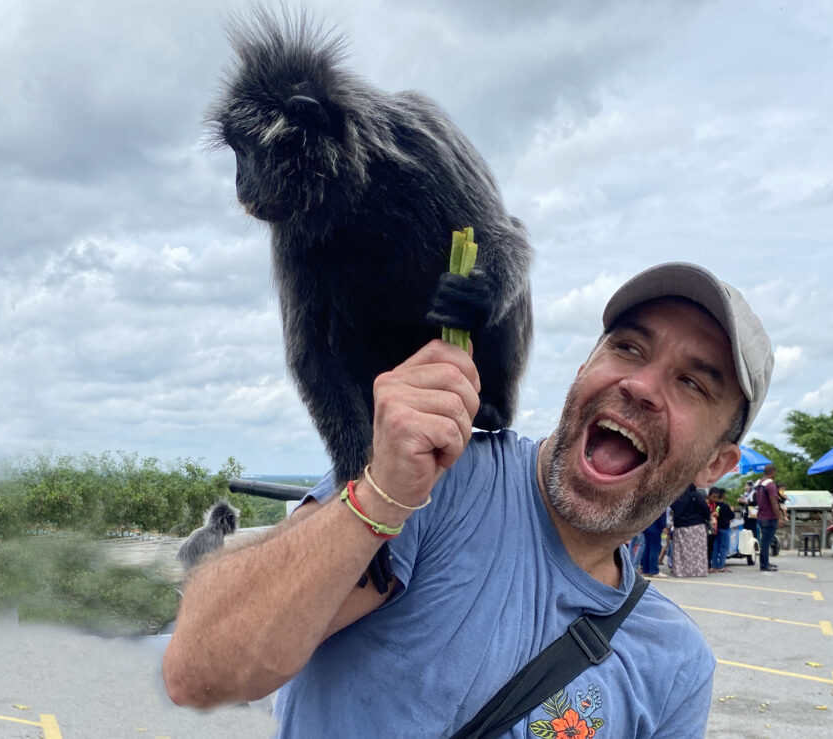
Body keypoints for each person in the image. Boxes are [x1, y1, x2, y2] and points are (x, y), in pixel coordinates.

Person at [162, 262, 774, 736]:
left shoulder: (673, 663)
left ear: (717, 465)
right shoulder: (440, 483)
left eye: (691, 382)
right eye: (628, 348)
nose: (640, 385)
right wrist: (381, 496)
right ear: (586, 365)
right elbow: (202, 667)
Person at [669, 483, 711, 577]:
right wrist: (707, 517)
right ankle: (697, 570)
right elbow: (705, 508)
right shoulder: (696, 495)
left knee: (681, 550)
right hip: (696, 525)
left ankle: (680, 571)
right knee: (697, 549)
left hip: (680, 526)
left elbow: (672, 508)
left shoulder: (676, 497)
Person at [755, 464, 787, 571]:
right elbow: (774, 502)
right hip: (769, 517)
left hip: (761, 515)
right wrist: (779, 518)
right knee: (766, 542)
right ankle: (764, 564)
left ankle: (766, 562)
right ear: (772, 471)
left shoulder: (759, 483)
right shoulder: (771, 485)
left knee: (764, 540)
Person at [709, 487, 735, 572]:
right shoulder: (725, 506)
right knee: (724, 547)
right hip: (724, 528)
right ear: (723, 496)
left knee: (716, 547)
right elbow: (732, 516)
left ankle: (714, 565)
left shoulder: (715, 505)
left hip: (716, 528)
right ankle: (721, 566)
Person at [639, 509, 668, 577]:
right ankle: (654, 571)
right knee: (654, 549)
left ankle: (646, 569)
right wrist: (664, 525)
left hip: (647, 526)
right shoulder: (659, 501)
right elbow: (661, 514)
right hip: (656, 527)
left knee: (647, 548)